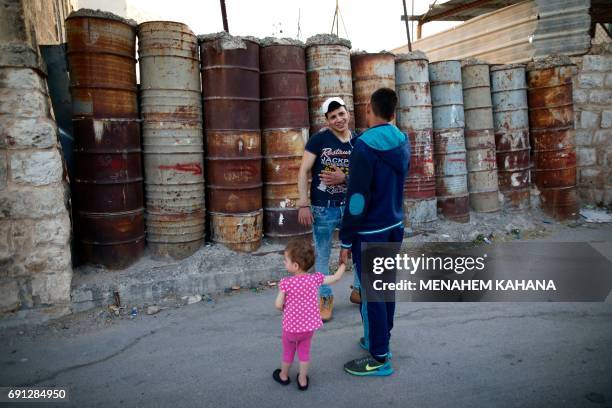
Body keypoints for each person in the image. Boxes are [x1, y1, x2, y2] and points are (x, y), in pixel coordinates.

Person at [338, 88, 410, 377]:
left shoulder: (363, 147)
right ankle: (380, 338)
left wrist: (345, 238)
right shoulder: (402, 140)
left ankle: (380, 357)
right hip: (394, 226)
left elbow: (357, 200)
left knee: (373, 294)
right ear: (393, 112)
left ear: (370, 109)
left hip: (371, 232)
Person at [297, 97, 360, 322]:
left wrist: (345, 178)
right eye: (333, 117)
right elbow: (303, 171)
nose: (339, 119)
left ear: (348, 113)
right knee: (323, 254)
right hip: (324, 208)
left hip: (352, 207)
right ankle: (325, 298)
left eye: (341, 114)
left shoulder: (358, 141)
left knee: (359, 249)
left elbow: (365, 177)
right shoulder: (319, 140)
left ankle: (359, 290)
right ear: (327, 120)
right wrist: (304, 203)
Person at [273, 239, 346, 390]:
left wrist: (285, 308)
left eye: (285, 260)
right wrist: (343, 265)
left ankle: (284, 376)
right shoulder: (315, 279)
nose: (284, 263)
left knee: (288, 352)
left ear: (295, 265)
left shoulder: (286, 283)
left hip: (291, 328)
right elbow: (336, 278)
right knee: (304, 353)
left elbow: (278, 305)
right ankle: (302, 379)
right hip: (308, 328)